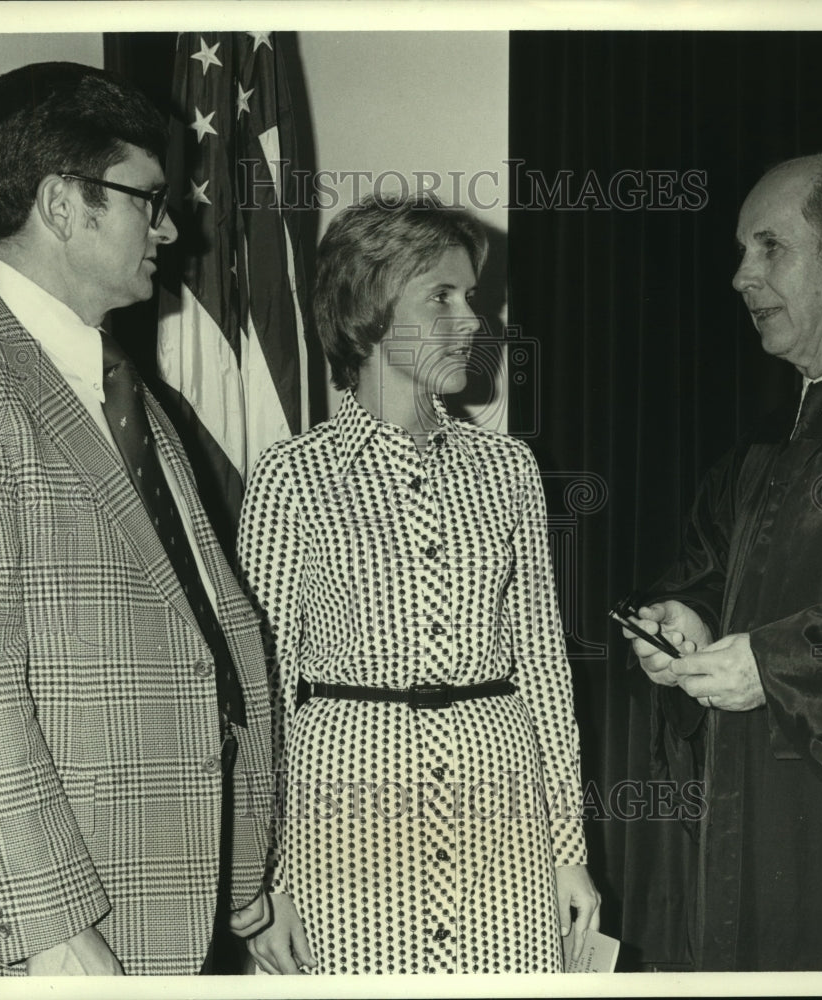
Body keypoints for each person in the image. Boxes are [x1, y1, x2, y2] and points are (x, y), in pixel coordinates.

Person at [0, 62, 275, 976]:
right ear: (66, 203)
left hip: (182, 889)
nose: (171, 228)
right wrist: (54, 926)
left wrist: (247, 866)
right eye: (147, 198)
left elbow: (206, 632)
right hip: (65, 922)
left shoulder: (122, 387)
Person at [237, 193, 600, 974]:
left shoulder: (507, 469)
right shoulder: (292, 476)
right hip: (342, 815)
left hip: (501, 803)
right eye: (441, 294)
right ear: (368, 304)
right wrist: (266, 881)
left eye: (472, 296)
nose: (473, 321)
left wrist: (567, 849)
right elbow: (258, 690)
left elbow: (542, 667)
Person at [622, 153, 822, 970]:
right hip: (762, 808)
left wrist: (777, 664)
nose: (738, 276)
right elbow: (724, 569)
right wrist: (691, 618)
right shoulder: (780, 427)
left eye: (767, 247)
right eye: (741, 251)